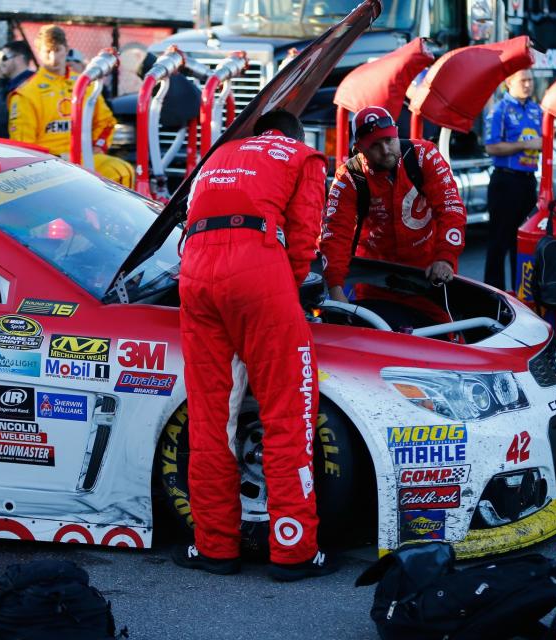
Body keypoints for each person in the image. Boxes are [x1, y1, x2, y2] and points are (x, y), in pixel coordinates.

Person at [173, 109, 335, 582]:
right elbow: (304, 239)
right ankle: (294, 552)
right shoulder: (303, 156)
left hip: (195, 273)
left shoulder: (218, 154)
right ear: (293, 135)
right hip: (256, 271)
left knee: (210, 418)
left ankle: (214, 548)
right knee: (287, 414)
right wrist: (290, 287)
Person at [321, 105, 466, 304]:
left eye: (389, 140)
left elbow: (451, 208)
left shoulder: (424, 155)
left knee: (440, 333)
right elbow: (335, 235)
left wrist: (445, 257)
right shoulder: (348, 178)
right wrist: (336, 288)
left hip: (429, 274)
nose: (385, 150)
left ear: (397, 133)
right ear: (359, 148)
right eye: (375, 145)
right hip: (376, 280)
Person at [8, 25, 134, 188]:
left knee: (122, 170)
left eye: (57, 50)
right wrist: (54, 159)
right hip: (47, 166)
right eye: (47, 51)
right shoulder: (27, 93)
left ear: (66, 50)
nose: (53, 57)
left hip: (83, 158)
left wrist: (98, 146)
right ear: (38, 52)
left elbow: (106, 122)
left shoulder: (84, 83)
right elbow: (23, 146)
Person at [482, 68, 543, 291]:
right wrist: (527, 144)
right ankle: (493, 297)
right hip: (505, 182)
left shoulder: (537, 110)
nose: (528, 85)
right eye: (523, 80)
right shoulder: (499, 110)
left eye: (531, 80)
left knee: (523, 241)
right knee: (499, 242)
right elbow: (491, 147)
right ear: (509, 82)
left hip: (528, 182)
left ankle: (522, 294)